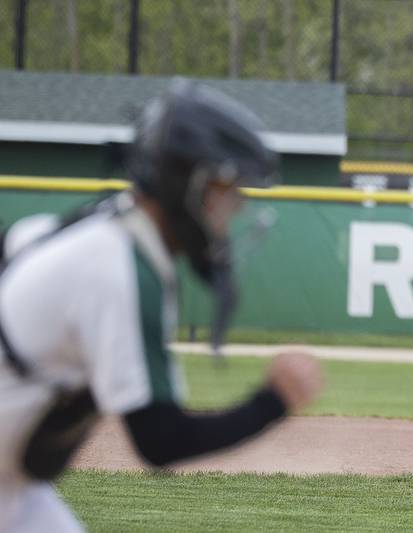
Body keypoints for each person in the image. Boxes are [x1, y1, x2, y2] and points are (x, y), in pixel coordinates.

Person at [0, 79, 324, 531]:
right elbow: (159, 439)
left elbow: (17, 243)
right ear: (185, 183)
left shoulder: (105, 228)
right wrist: (272, 402)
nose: (230, 210)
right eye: (224, 190)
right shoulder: (117, 268)